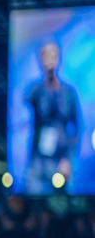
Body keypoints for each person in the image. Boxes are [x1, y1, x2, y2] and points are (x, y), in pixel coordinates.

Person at [25, 41, 80, 195]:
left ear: (59, 58)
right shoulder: (36, 91)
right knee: (35, 200)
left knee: (60, 203)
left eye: (53, 55)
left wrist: (68, 159)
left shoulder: (68, 92)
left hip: (61, 159)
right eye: (46, 55)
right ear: (40, 59)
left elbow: (76, 128)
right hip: (39, 159)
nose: (50, 59)